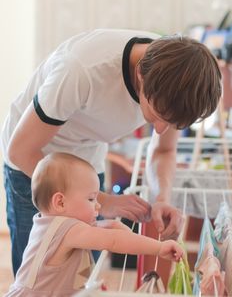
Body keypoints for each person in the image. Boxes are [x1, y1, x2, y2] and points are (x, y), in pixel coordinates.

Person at [1, 29, 221, 275]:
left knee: (82, 273)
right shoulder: (82, 70)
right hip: (33, 161)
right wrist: (103, 202)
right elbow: (21, 150)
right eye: (158, 117)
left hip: (86, 163)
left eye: (172, 124)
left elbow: (164, 150)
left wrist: (162, 199)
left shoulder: (174, 87)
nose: (160, 129)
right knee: (37, 273)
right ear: (141, 75)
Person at [5, 153, 184, 296]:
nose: (98, 205)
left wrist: (113, 227)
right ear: (60, 202)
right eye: (91, 198)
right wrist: (159, 248)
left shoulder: (51, 223)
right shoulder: (68, 228)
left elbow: (103, 230)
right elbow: (112, 241)